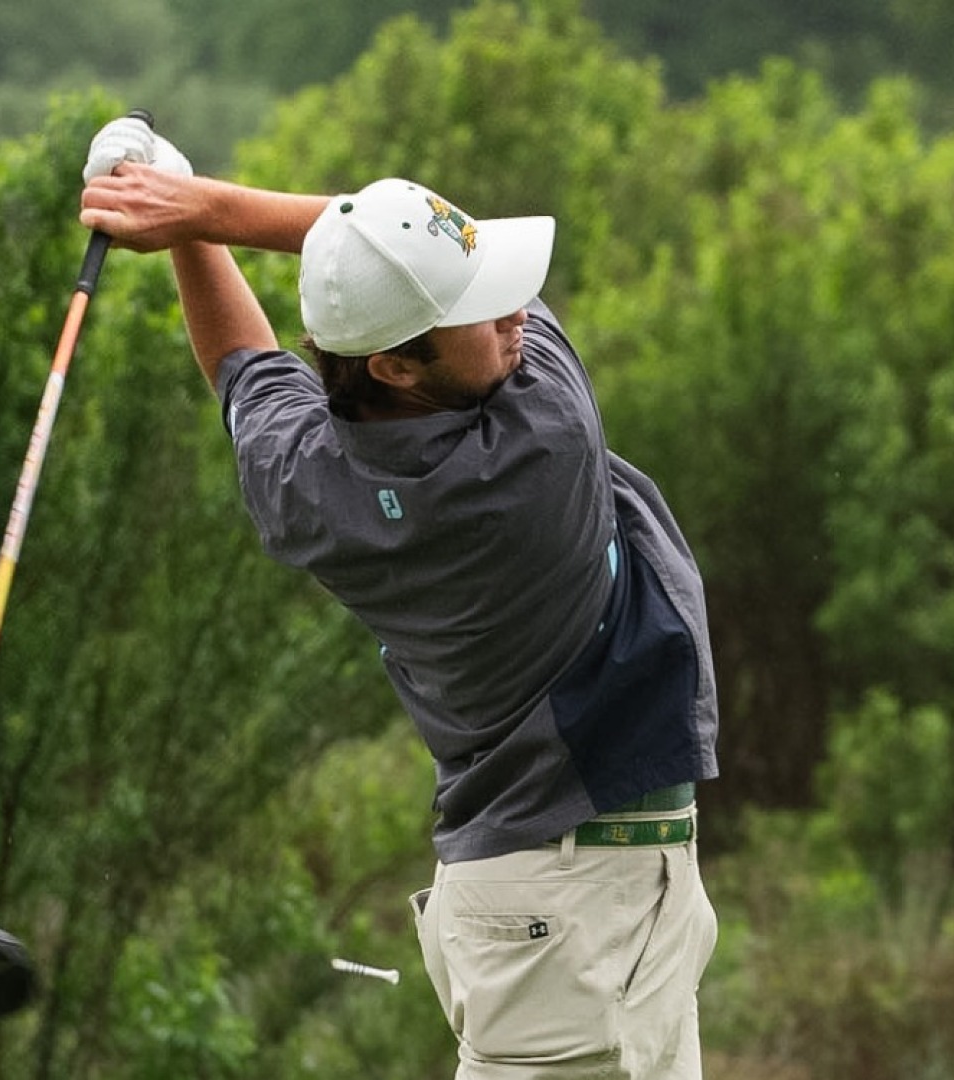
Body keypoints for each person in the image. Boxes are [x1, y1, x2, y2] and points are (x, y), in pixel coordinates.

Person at [79, 117, 721, 1078]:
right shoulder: (541, 431)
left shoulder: (307, 486)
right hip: (577, 911)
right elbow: (374, 241)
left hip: (566, 906)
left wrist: (183, 226)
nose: (513, 313)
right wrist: (205, 204)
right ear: (394, 365)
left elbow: (244, 370)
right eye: (482, 310)